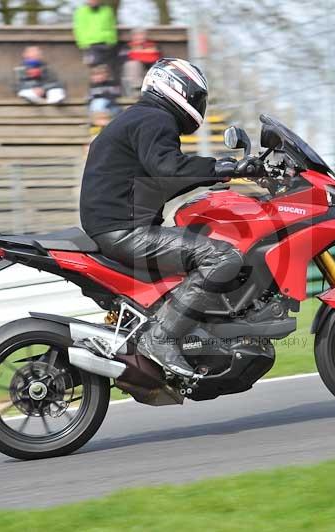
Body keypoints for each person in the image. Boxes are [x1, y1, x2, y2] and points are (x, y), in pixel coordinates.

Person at [80, 58, 263, 378]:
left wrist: (219, 174)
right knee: (220, 257)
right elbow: (169, 169)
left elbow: (165, 173)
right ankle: (162, 337)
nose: (199, 105)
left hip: (117, 226)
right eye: (196, 97)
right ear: (176, 88)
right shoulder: (154, 119)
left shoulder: (141, 118)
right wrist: (223, 167)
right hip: (124, 231)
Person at [73, 0, 118, 67]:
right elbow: (79, 30)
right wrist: (83, 45)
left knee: (108, 70)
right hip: (90, 46)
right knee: (96, 69)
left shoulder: (107, 11)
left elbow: (112, 27)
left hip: (107, 45)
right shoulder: (80, 12)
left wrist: (112, 41)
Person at [121, 28, 161, 97]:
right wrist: (143, 54)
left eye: (141, 34)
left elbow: (157, 58)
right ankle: (136, 91)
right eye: (136, 35)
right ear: (132, 37)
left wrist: (139, 54)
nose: (139, 37)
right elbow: (123, 58)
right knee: (133, 65)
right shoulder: (127, 47)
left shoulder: (152, 45)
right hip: (131, 74)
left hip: (148, 70)